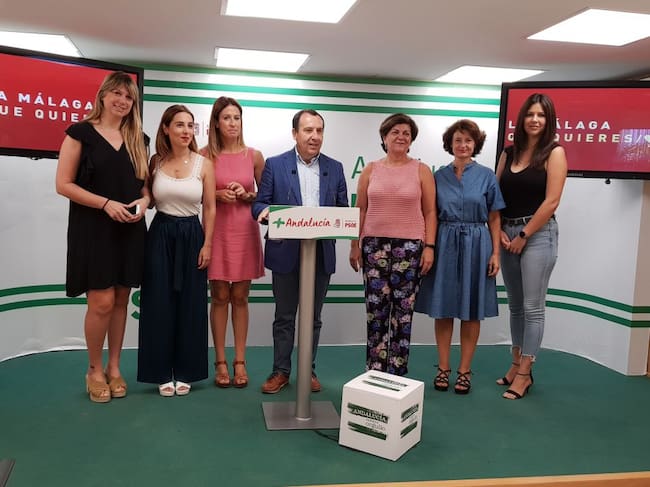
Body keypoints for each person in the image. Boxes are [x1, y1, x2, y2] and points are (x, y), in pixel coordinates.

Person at [55, 71, 149, 403]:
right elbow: (63, 184)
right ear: (103, 95)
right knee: (102, 302)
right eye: (117, 94)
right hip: (93, 229)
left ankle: (114, 367)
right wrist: (105, 204)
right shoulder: (80, 133)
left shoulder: (139, 139)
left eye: (129, 96)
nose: (123, 101)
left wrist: (145, 202)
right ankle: (94, 370)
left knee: (121, 300)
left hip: (130, 229)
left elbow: (145, 187)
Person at [252, 109, 348, 394]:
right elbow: (259, 203)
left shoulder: (335, 167)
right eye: (308, 130)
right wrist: (264, 212)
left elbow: (343, 210)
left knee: (313, 318)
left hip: (320, 253)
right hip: (285, 252)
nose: (314, 136)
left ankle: (308, 370)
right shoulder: (275, 164)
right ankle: (280, 371)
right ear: (295, 133)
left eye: (319, 130)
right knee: (284, 316)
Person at [415, 119, 505, 393]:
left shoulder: (487, 176)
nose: (463, 145)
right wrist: (429, 246)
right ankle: (443, 368)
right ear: (450, 144)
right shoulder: (438, 176)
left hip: (478, 244)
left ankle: (465, 371)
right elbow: (429, 213)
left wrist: (496, 253)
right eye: (458, 140)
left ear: (475, 144)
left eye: (468, 140)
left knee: (471, 310)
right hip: (444, 242)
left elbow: (494, 217)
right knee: (443, 308)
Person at [137, 105, 216, 397]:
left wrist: (207, 244)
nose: (186, 131)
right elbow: (147, 195)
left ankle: (186, 371)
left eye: (190, 125)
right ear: (166, 128)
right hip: (160, 233)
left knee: (191, 304)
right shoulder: (155, 161)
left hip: (192, 234)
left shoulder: (204, 164)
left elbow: (210, 208)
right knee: (158, 303)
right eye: (180, 125)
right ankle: (159, 372)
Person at [349, 113, 436, 376]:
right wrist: (355, 245)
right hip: (373, 248)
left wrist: (430, 247)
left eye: (406, 133)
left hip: (410, 249)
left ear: (411, 140)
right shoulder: (370, 169)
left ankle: (397, 372)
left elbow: (430, 212)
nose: (401, 137)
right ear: (384, 137)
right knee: (375, 312)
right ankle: (375, 370)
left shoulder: (421, 170)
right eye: (395, 132)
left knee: (403, 314)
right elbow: (360, 209)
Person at [495, 93, 567, 400]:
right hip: (507, 233)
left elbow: (552, 201)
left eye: (540, 115)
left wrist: (524, 235)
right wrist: (499, 229)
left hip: (537, 235)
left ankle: (525, 373)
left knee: (533, 307)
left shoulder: (555, 153)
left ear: (548, 121)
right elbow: (495, 194)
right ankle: (515, 364)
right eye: (530, 114)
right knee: (515, 305)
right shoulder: (508, 153)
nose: (534, 120)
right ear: (521, 119)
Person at [202, 97, 265, 388]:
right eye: (226, 118)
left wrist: (247, 195)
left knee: (240, 296)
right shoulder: (203, 155)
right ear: (216, 122)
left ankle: (240, 361)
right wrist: (214, 195)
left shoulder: (254, 156)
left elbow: (266, 197)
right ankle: (220, 361)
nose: (232, 123)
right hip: (216, 232)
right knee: (219, 296)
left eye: (236, 118)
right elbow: (191, 194)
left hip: (244, 230)